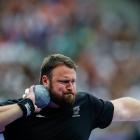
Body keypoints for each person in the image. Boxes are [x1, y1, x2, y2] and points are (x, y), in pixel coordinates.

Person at [1, 53, 140, 140]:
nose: (70, 87)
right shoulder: (23, 109)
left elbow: (124, 108)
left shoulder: (84, 104)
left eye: (73, 81)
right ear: (45, 81)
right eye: (64, 81)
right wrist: (25, 107)